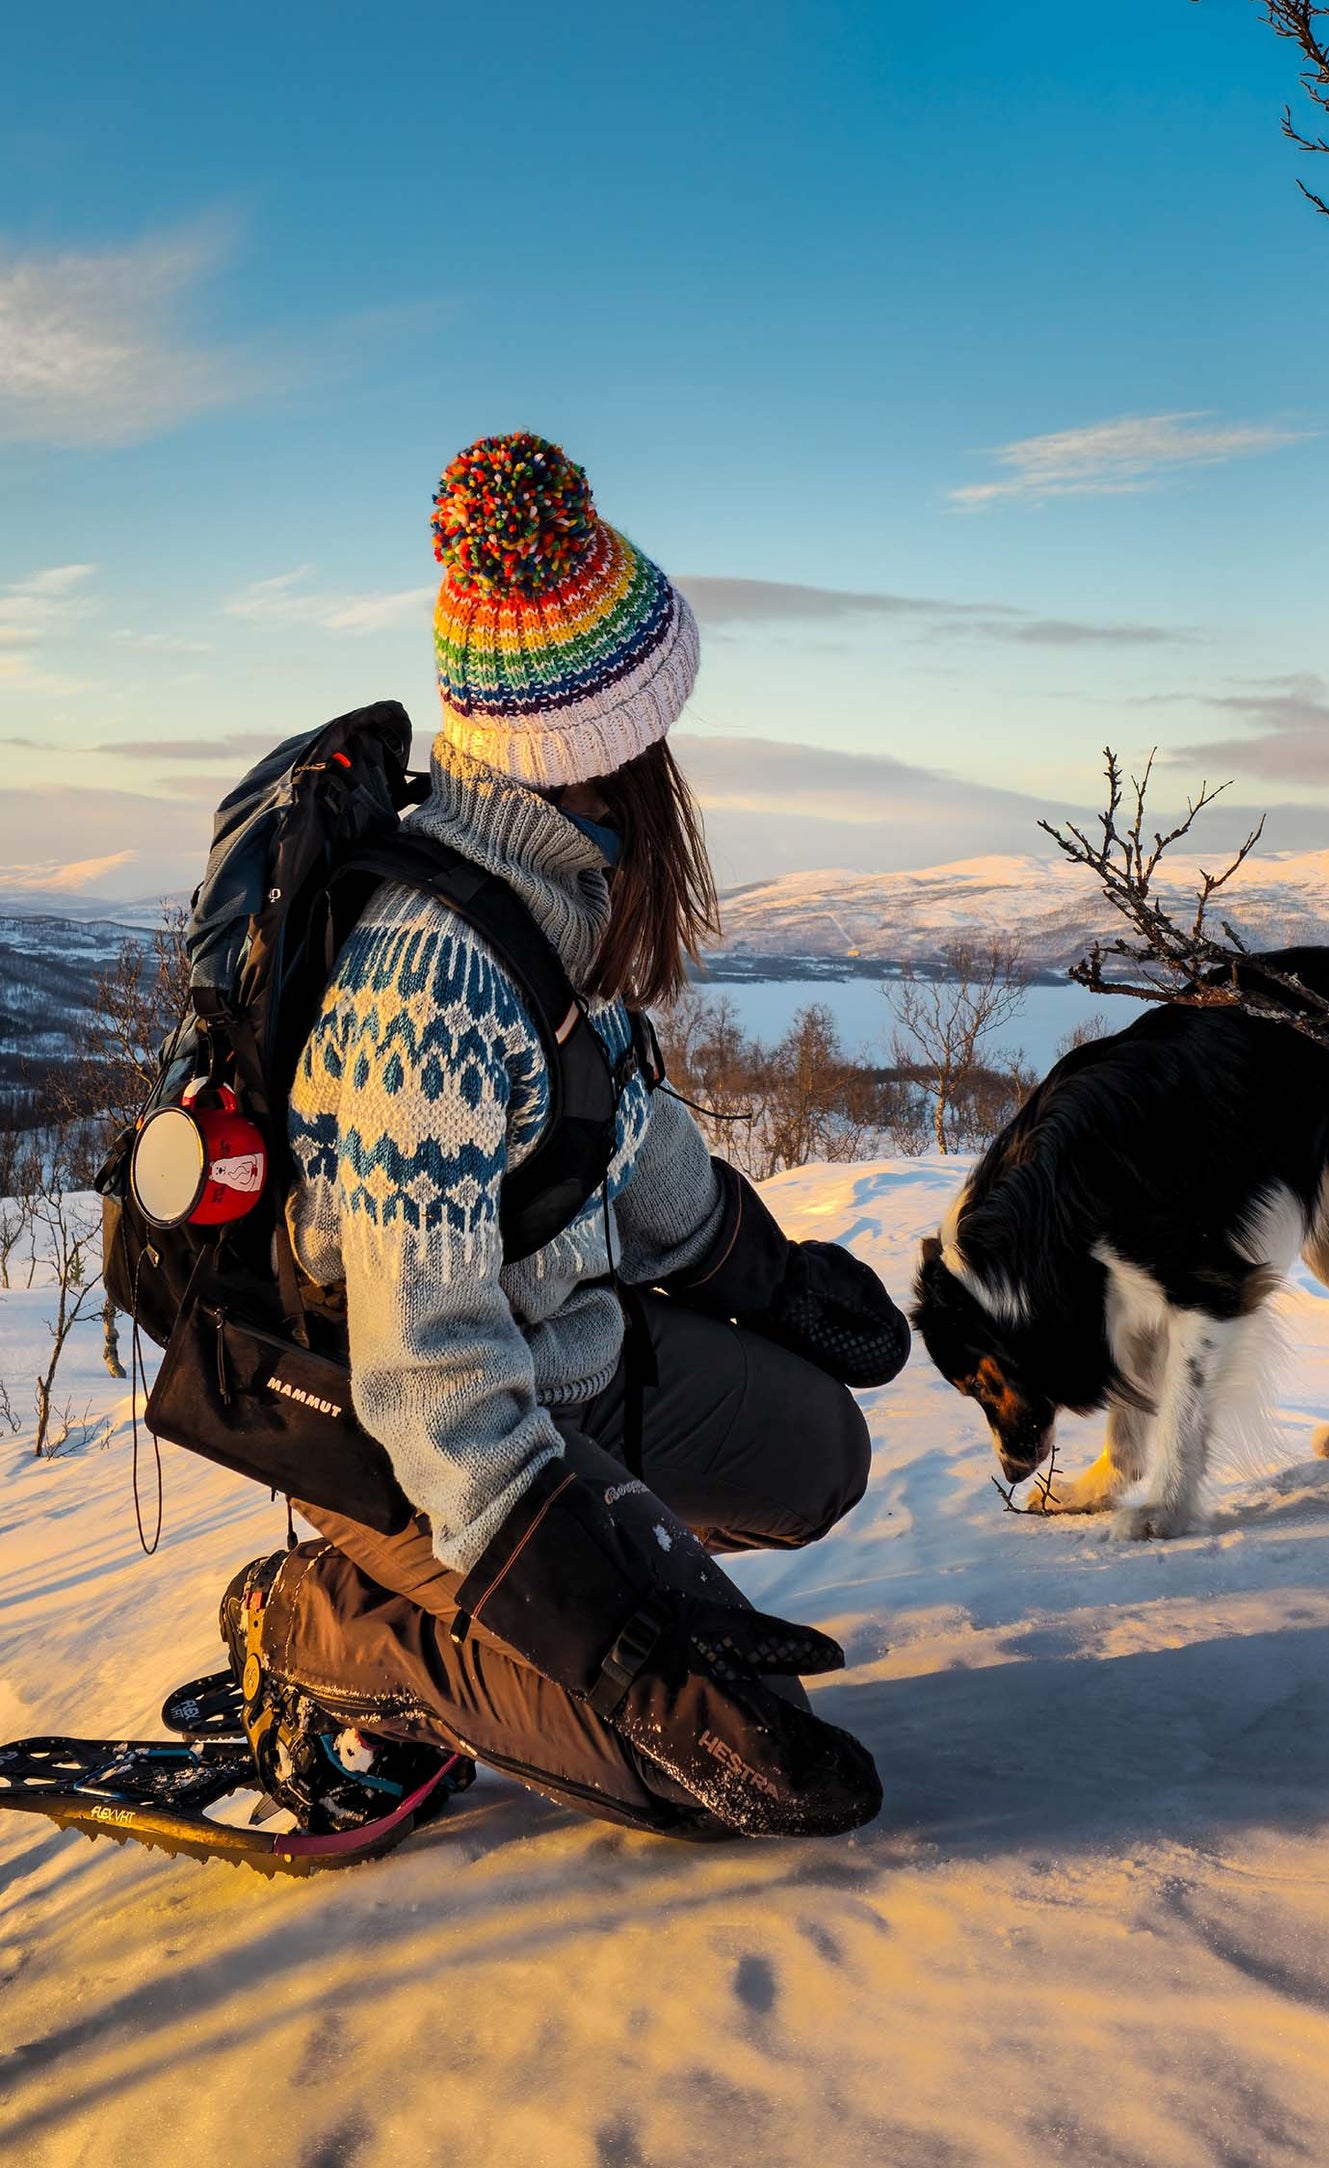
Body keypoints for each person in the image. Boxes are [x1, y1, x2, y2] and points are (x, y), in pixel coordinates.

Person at [221, 432, 908, 1843]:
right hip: (417, 1438)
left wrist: (757, 1269)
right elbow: (426, 1377)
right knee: (730, 1774)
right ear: (607, 743)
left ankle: (566, 1585)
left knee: (816, 1453)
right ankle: (329, 1619)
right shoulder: (437, 981)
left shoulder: (548, 894)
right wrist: (616, 1642)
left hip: (571, 1364)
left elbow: (611, 1125)